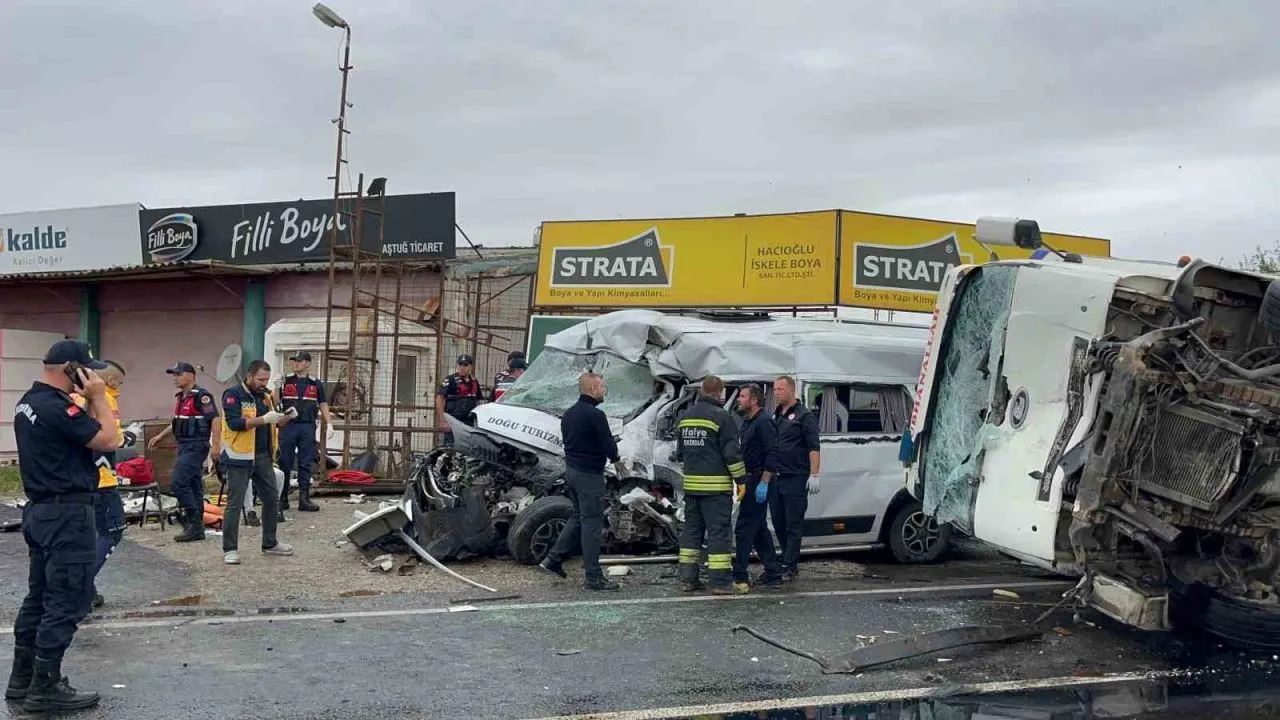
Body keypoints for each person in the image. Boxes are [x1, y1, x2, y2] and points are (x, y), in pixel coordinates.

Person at [7, 340, 120, 712]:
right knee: (68, 598)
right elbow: (109, 439)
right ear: (71, 368)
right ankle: (46, 685)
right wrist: (98, 397)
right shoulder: (57, 407)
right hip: (67, 514)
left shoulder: (29, 402)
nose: (90, 376)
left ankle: (22, 679)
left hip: (41, 510)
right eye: (85, 369)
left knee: (39, 597)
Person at [539, 372, 622, 591]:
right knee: (592, 523)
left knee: (579, 517)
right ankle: (593, 577)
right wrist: (615, 455)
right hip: (590, 476)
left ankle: (553, 559)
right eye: (602, 386)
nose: (604, 390)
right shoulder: (596, 415)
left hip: (572, 472)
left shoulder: (569, 414)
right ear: (593, 389)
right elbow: (610, 448)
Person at [69, 361, 140, 610]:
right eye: (119, 383)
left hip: (82, 478)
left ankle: (87, 589)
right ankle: (81, 588)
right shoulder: (105, 400)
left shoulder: (74, 399)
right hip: (103, 479)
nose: (119, 388)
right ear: (110, 381)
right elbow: (112, 439)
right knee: (112, 532)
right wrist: (129, 436)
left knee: (88, 536)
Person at [674, 375, 746, 594]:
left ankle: (688, 579)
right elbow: (732, 454)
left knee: (691, 532)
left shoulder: (685, 417)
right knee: (718, 534)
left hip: (691, 487)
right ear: (720, 392)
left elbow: (680, 454)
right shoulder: (722, 417)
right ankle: (721, 582)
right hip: (716, 490)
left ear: (702, 391)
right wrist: (741, 480)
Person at [219, 360, 293, 565]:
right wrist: (264, 420)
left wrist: (281, 420)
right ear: (249, 376)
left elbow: (270, 423)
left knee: (271, 498)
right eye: (260, 379)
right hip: (239, 456)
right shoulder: (234, 394)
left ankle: (270, 543)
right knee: (235, 503)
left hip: (262, 456)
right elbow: (234, 423)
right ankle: (230, 549)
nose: (264, 383)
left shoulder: (265, 396)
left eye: (266, 379)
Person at [148, 362, 220, 543]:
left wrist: (216, 447)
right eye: (174, 375)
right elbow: (177, 422)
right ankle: (197, 527)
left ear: (191, 376)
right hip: (184, 445)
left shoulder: (202, 396)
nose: (175, 378)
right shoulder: (181, 398)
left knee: (178, 483)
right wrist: (160, 436)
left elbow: (215, 420)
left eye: (178, 374)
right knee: (194, 484)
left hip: (196, 445)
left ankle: (194, 523)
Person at [732, 383, 783, 592]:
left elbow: (773, 452)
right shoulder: (748, 422)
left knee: (744, 528)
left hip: (759, 480)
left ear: (754, 400)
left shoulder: (764, 422)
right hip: (749, 479)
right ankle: (773, 573)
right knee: (759, 529)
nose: (738, 399)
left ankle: (739, 575)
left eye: (742, 396)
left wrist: (764, 482)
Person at [770, 375, 821, 582]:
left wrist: (814, 474)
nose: (776, 393)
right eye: (775, 390)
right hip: (776, 477)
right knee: (778, 522)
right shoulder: (776, 415)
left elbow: (814, 447)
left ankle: (790, 564)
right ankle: (786, 558)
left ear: (792, 390)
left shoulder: (804, 416)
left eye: (780, 389)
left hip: (795, 477)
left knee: (793, 523)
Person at [276, 351, 329, 514]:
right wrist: (276, 387)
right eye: (294, 361)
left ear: (307, 363)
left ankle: (304, 499)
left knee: (305, 462)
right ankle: (282, 498)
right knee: (284, 461)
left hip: (307, 426)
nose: (295, 364)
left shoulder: (316, 383)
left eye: (298, 361)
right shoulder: (285, 381)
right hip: (288, 426)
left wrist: (329, 423)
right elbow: (276, 401)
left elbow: (323, 403)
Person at [434, 354, 483, 445]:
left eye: (465, 365)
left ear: (471, 366)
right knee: (450, 447)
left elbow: (478, 401)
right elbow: (439, 398)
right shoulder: (450, 379)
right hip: (453, 421)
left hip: (469, 422)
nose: (462, 368)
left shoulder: (474, 381)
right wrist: (442, 420)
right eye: (460, 364)